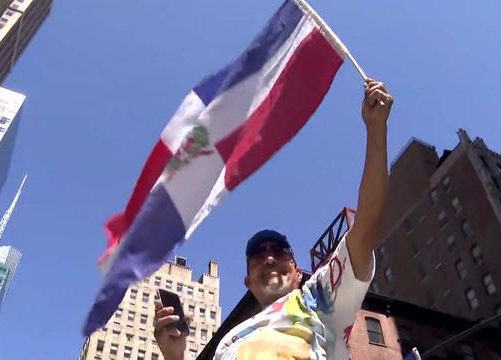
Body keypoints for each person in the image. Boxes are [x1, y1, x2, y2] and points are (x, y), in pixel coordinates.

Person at [153, 78, 393, 359]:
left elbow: (365, 229)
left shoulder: (317, 298)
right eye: (257, 255)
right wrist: (174, 354)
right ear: (247, 282)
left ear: (297, 273)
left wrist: (377, 129)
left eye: (278, 252)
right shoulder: (228, 343)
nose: (268, 258)